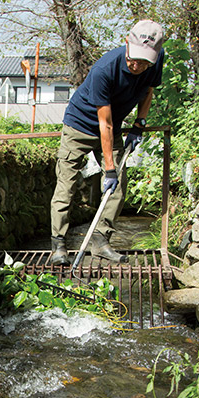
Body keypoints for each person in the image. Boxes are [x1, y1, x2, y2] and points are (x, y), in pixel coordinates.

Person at [49, 20, 165, 265]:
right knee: (66, 186)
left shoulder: (155, 61)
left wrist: (140, 124)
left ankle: (100, 241)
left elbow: (148, 91)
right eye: (134, 58)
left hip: (112, 126)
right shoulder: (105, 69)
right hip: (79, 126)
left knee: (118, 188)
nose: (137, 66)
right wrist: (108, 169)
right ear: (127, 44)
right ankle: (58, 245)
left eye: (145, 61)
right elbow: (105, 125)